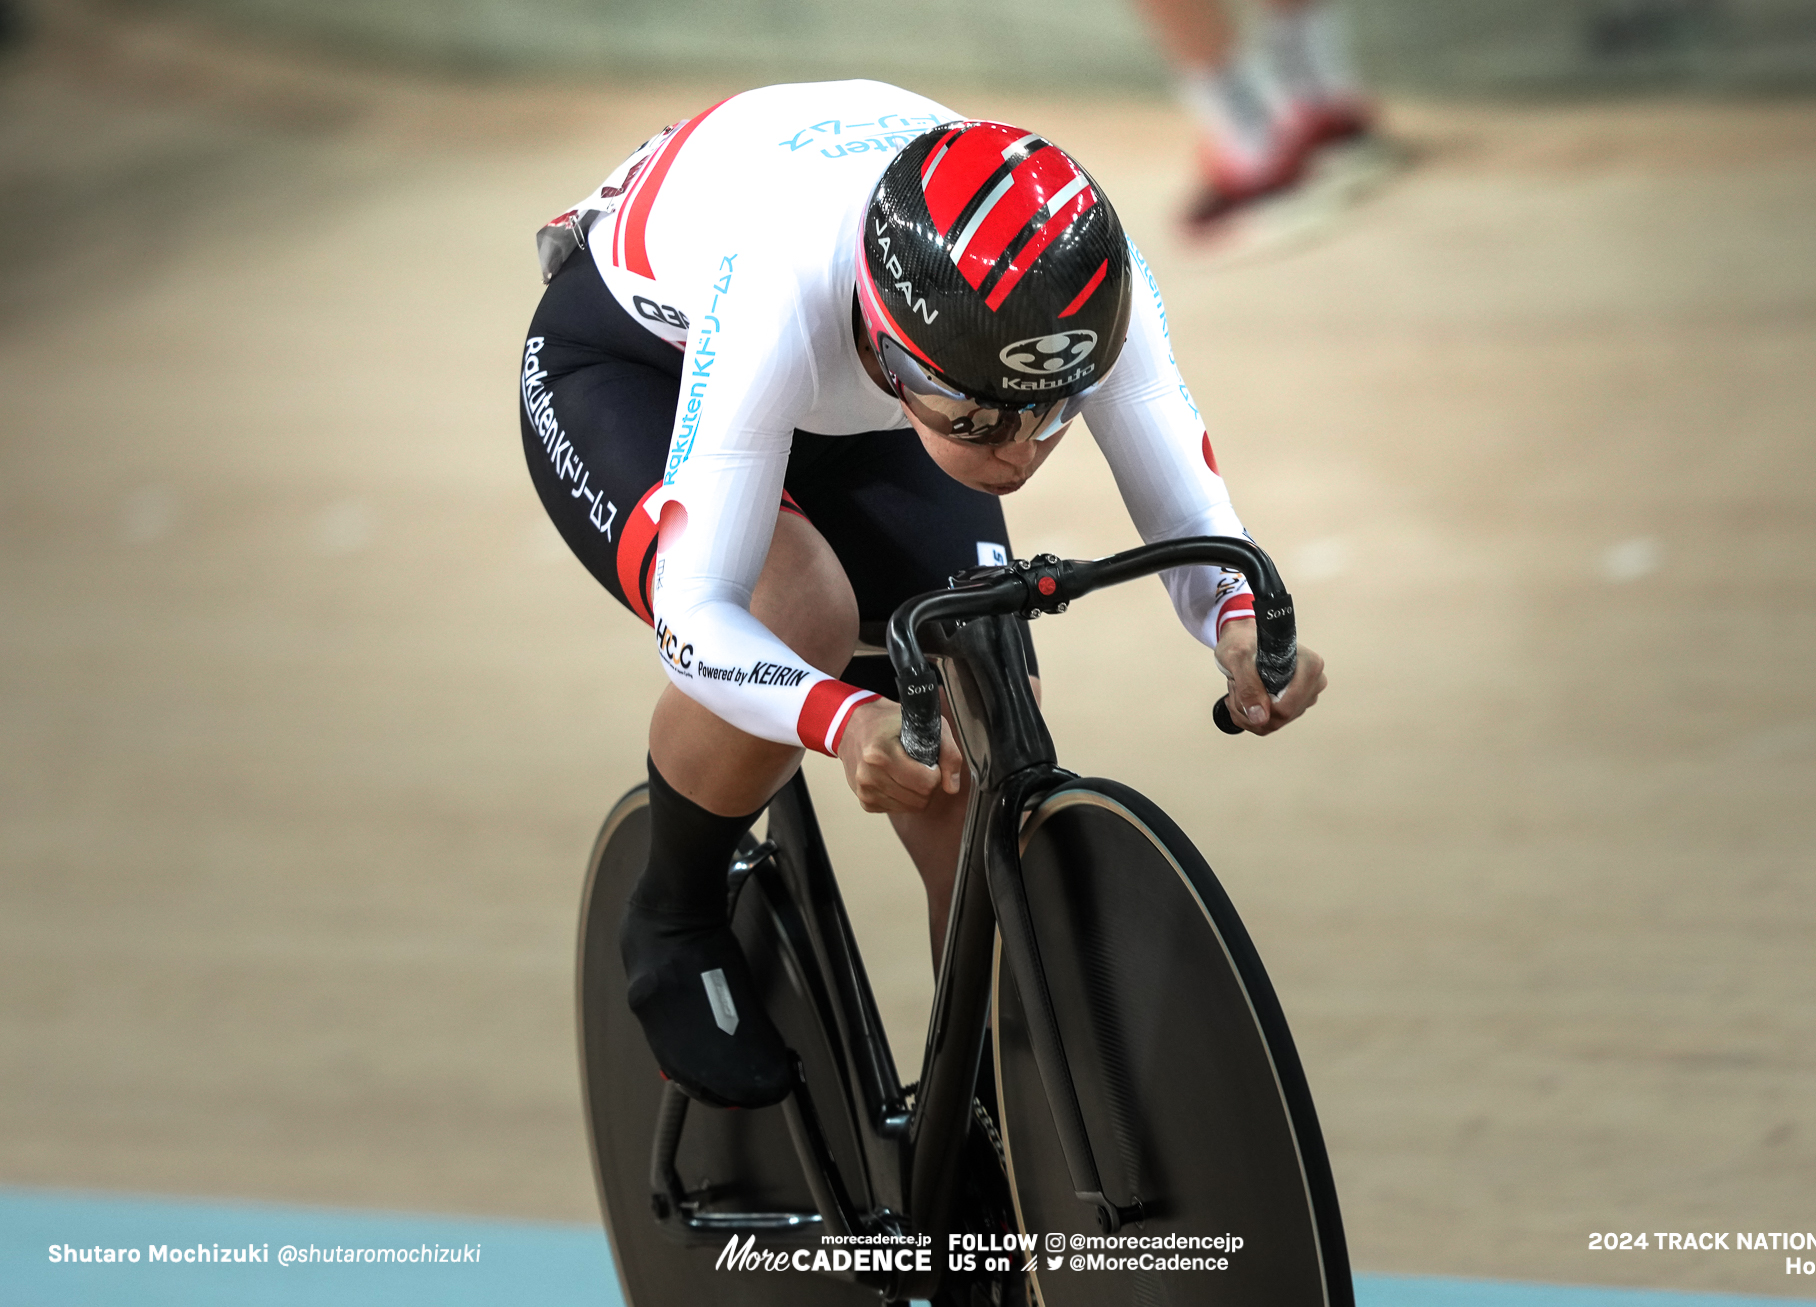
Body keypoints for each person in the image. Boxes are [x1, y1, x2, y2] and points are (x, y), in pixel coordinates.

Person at [520, 81, 1326, 1110]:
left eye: (1050, 413)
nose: (1019, 452)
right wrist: (843, 718)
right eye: (981, 419)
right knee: (799, 607)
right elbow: (697, 616)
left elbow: (1180, 486)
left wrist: (1236, 619)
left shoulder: (1075, 282)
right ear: (894, 350)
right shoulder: (781, 289)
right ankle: (673, 912)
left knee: (972, 713)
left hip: (861, 384)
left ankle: (984, 1100)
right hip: (636, 364)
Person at [1131, 0, 1374, 233]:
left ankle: (1257, 152)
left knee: (1259, 147)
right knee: (1317, 94)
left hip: (1269, 173)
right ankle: (1323, 103)